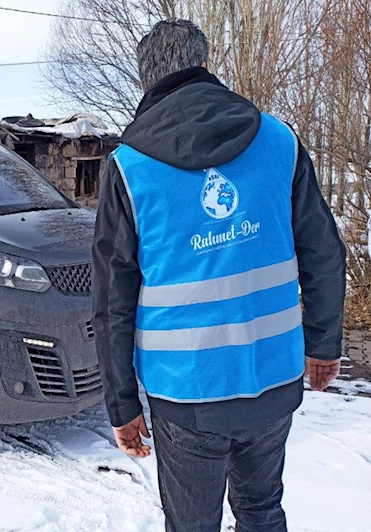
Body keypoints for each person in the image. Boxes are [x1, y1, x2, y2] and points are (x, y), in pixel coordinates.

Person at [92, 20, 346, 532]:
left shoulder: (129, 168)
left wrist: (122, 404)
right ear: (205, 68)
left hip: (186, 394)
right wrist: (323, 344)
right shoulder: (278, 140)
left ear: (148, 84)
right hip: (273, 375)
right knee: (261, 512)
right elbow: (323, 252)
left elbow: (112, 300)